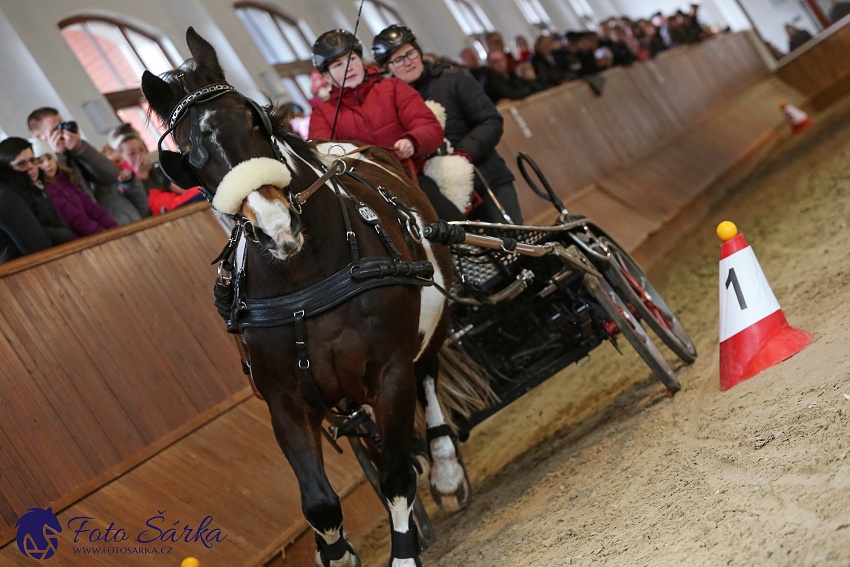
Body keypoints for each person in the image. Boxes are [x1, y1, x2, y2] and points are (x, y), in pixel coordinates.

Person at [373, 24, 524, 223]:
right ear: (388, 68)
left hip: (486, 176)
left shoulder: (453, 79)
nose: (408, 62)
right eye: (398, 60)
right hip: (442, 192)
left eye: (410, 53)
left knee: (513, 243)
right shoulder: (389, 102)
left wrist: (463, 154)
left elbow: (491, 120)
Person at [309, 28, 463, 221]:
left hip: (412, 179)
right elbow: (322, 157)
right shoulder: (321, 114)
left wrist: (412, 141)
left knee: (453, 224)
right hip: (367, 195)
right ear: (327, 76)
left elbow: (429, 126)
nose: (348, 67)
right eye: (338, 65)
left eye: (352, 59)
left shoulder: (393, 87)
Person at [27, 107, 147, 225]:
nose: (63, 132)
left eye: (63, 125)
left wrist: (80, 148)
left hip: (125, 221)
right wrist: (59, 157)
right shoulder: (42, 171)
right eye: (55, 129)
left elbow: (112, 175)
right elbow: (75, 199)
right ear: (39, 137)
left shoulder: (79, 151)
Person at [0, 137, 72, 262]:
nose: (31, 167)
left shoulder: (37, 186)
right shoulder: (7, 196)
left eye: (33, 160)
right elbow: (38, 246)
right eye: (22, 164)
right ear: (7, 168)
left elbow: (66, 232)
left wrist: (39, 229)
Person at [108, 125, 205, 215]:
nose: (139, 155)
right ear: (122, 159)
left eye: (142, 150)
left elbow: (182, 189)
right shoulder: (124, 183)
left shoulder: (157, 169)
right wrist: (141, 179)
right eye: (132, 153)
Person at [31, 139, 117, 238]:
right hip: (82, 240)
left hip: (95, 233)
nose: (47, 164)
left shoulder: (67, 177)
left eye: (49, 158)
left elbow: (91, 207)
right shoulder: (45, 190)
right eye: (40, 162)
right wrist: (100, 231)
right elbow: (74, 217)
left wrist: (113, 226)